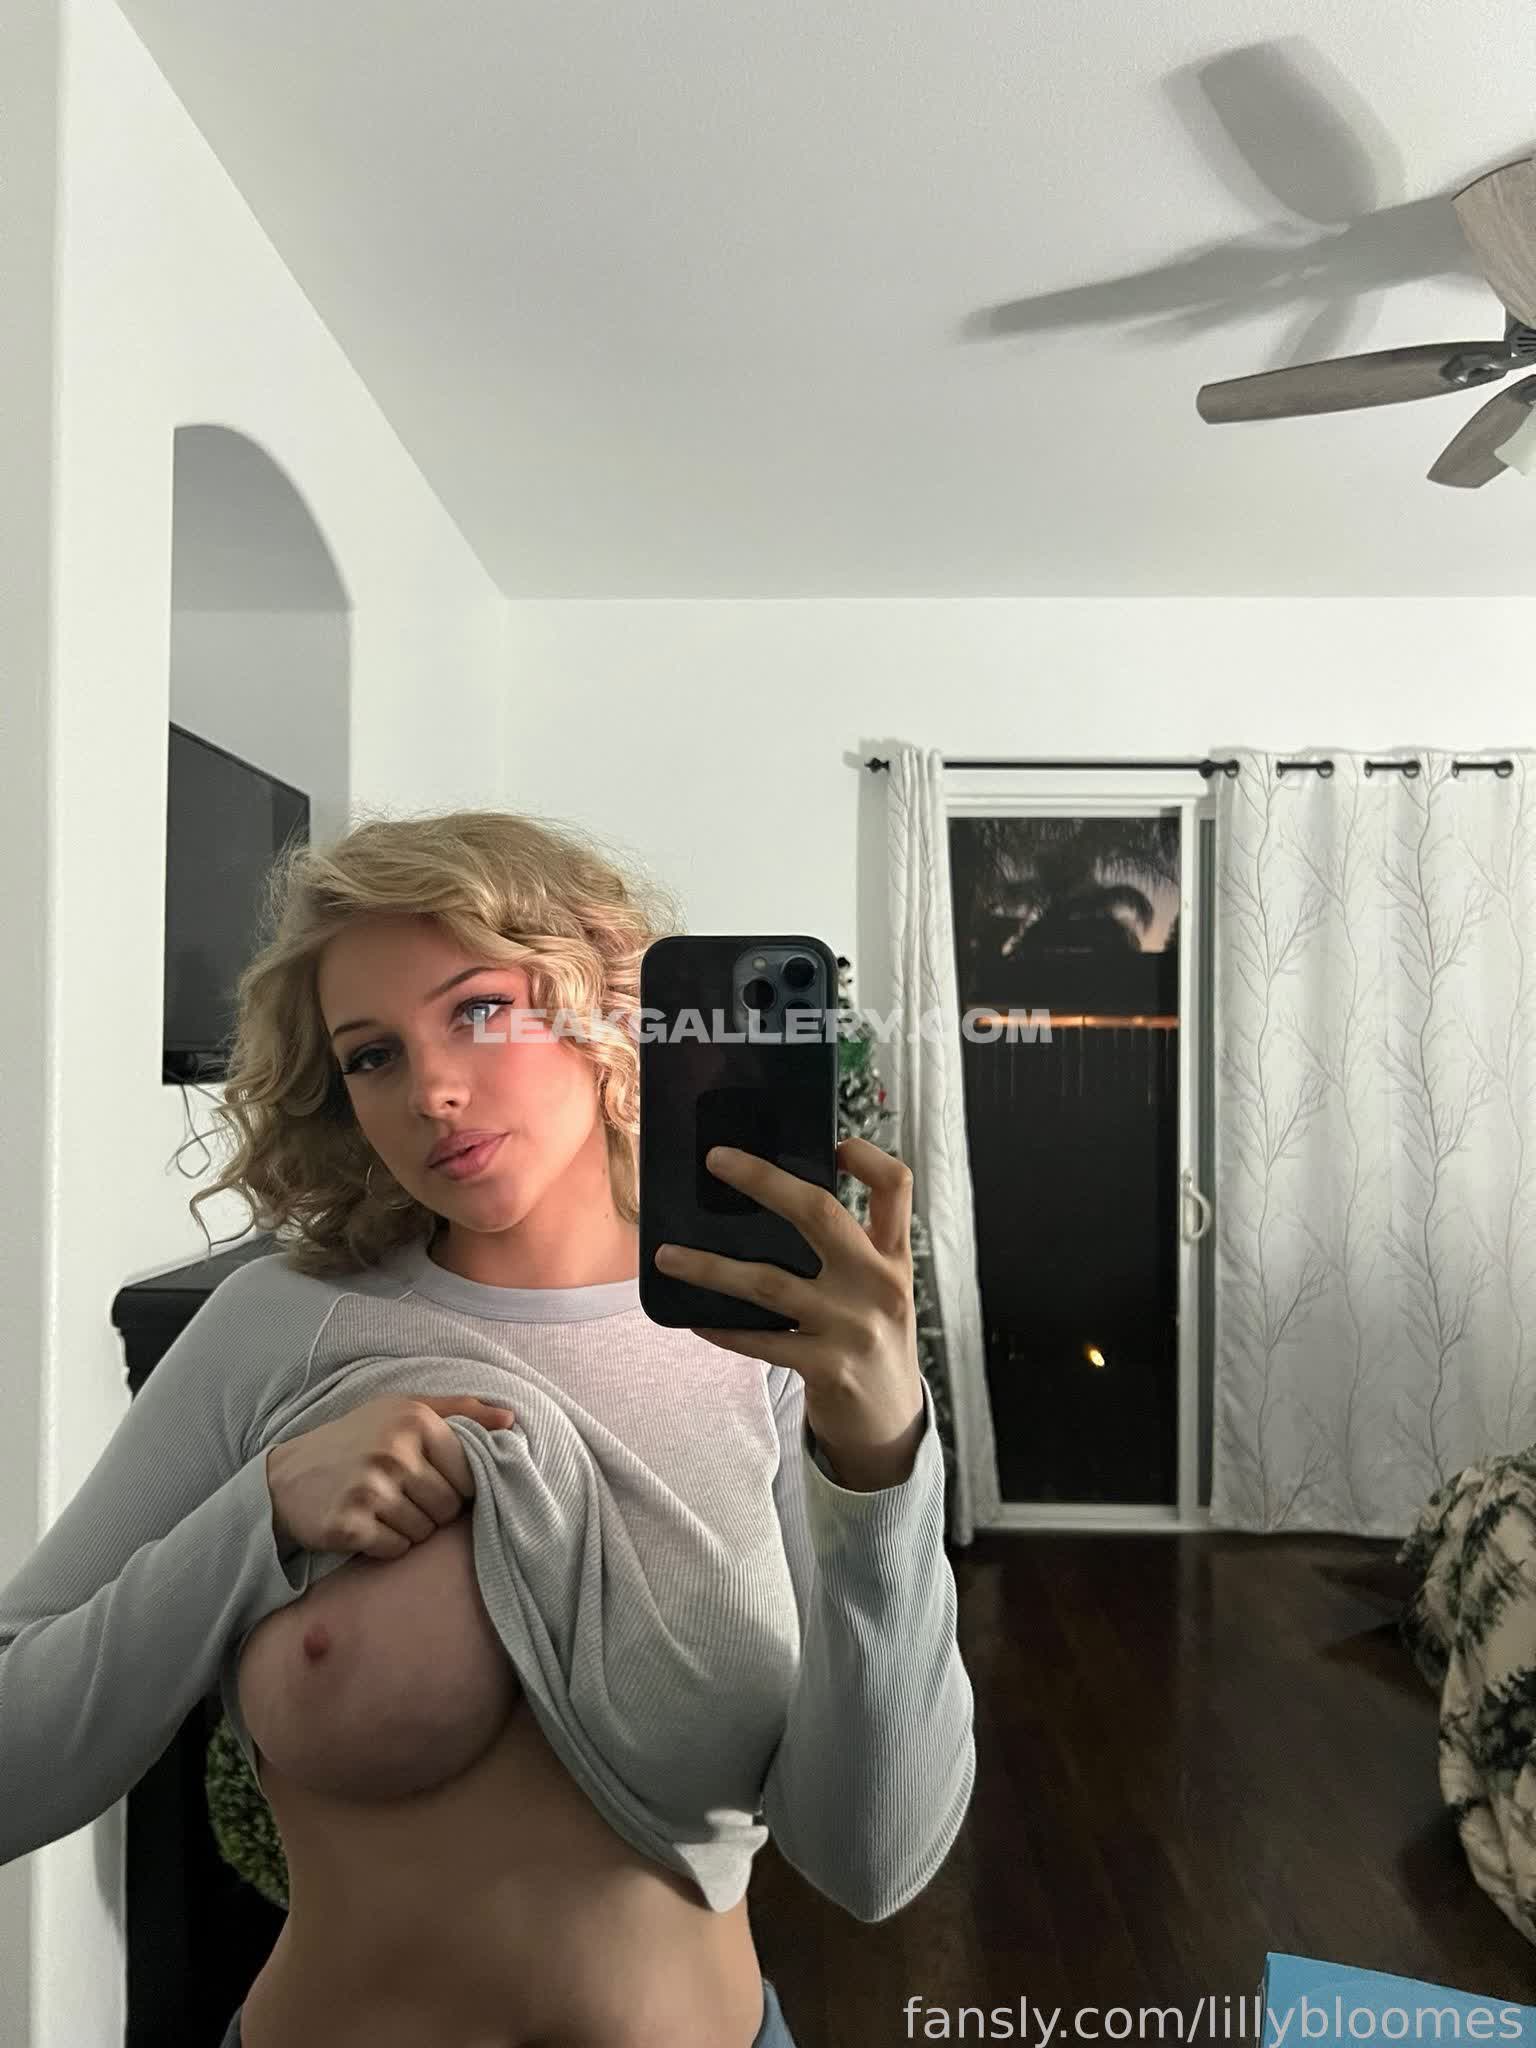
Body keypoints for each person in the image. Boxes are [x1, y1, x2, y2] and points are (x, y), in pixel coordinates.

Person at [0, 808, 976, 2048]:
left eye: (476, 1010)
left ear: (599, 1001)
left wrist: (883, 1462)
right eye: (372, 1055)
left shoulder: (763, 1348)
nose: (432, 1090)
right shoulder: (280, 1327)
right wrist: (258, 1516)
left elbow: (876, 1861)